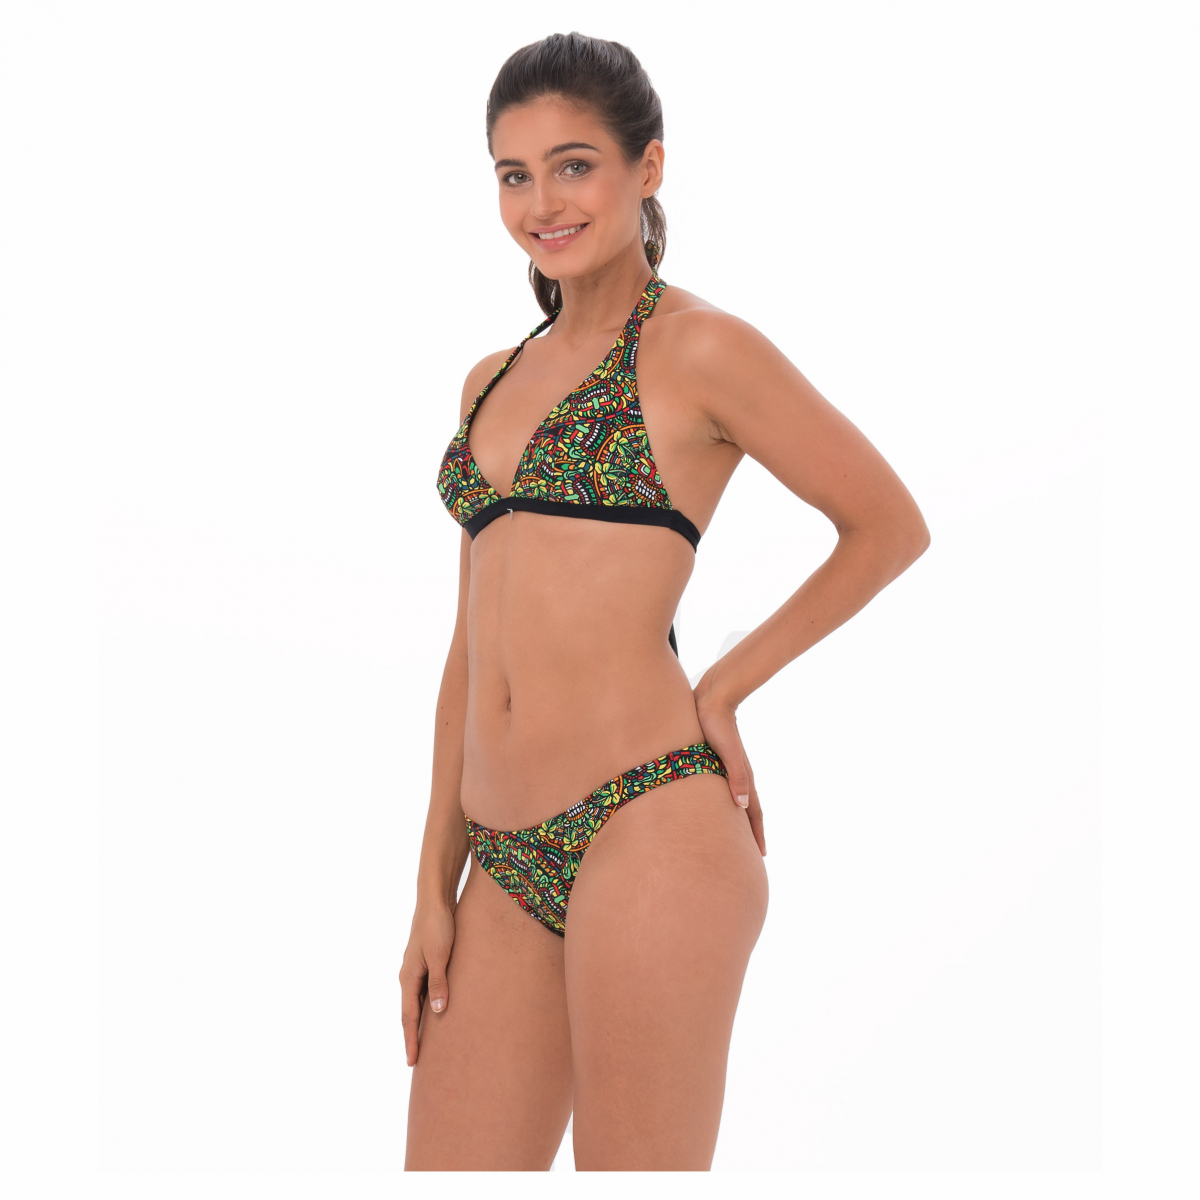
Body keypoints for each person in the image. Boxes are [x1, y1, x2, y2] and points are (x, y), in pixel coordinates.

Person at [401, 31, 929, 1171]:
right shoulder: (489, 381)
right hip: (501, 860)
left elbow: (888, 526)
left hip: (648, 822)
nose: (543, 202)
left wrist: (725, 685)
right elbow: (467, 648)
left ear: (647, 167)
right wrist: (431, 887)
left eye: (574, 165)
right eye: (514, 174)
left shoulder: (700, 352)